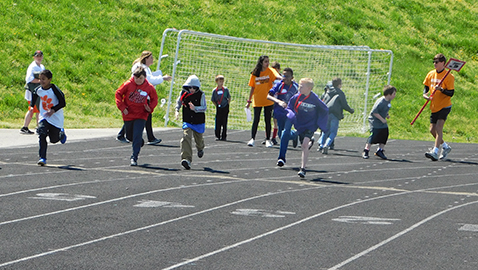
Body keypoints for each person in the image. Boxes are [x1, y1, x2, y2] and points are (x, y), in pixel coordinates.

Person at [116, 51, 172, 144]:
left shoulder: (145, 68)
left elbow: (149, 77)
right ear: (146, 58)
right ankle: (149, 137)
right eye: (151, 58)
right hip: (139, 96)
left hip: (143, 95)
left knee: (143, 116)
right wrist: (162, 78)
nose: (152, 60)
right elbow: (148, 80)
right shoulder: (141, 68)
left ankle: (124, 135)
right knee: (142, 115)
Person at [282, 78, 328, 178]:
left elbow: (324, 109)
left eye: (301, 87)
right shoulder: (296, 97)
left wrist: (321, 123)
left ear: (309, 88)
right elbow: (289, 107)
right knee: (304, 144)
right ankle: (309, 141)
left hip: (310, 125)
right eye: (299, 86)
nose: (299, 88)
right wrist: (291, 115)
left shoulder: (314, 99)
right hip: (300, 124)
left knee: (304, 145)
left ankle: (303, 168)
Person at [115, 66, 158, 166]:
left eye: (141, 78)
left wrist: (150, 108)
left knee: (138, 134)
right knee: (130, 136)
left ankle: (134, 157)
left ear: (145, 78)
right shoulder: (128, 84)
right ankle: (138, 142)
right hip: (128, 114)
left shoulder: (149, 87)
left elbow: (154, 99)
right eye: (136, 78)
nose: (138, 80)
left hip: (141, 114)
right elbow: (118, 94)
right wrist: (122, 107)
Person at [31, 70, 67, 166]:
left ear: (49, 80)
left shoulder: (54, 89)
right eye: (40, 79)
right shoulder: (38, 89)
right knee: (41, 133)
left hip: (55, 117)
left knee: (53, 140)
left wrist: (53, 110)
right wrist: (31, 107)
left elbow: (63, 103)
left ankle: (61, 133)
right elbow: (34, 95)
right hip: (44, 116)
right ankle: (42, 158)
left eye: (44, 79)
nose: (41, 81)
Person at [423, 53, 454, 161]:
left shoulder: (449, 76)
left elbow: (451, 93)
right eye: (434, 62)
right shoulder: (431, 74)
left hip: (444, 105)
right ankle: (445, 146)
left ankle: (435, 151)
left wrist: (441, 90)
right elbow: (426, 86)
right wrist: (425, 94)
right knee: (432, 130)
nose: (434, 64)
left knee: (439, 127)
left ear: (443, 63)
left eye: (436, 62)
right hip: (434, 105)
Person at [245, 55, 281, 148]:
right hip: (257, 100)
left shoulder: (270, 71)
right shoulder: (255, 73)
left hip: (268, 100)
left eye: (268, 61)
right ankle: (252, 138)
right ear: (261, 62)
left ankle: (268, 139)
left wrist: (285, 78)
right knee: (256, 120)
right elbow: (252, 87)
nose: (267, 63)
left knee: (267, 120)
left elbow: (277, 77)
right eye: (265, 61)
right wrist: (249, 100)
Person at [267, 67, 299, 166]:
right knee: (281, 135)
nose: (284, 77)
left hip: (290, 114)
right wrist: (278, 101)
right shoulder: (279, 85)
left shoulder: (296, 87)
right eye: (283, 75)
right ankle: (294, 135)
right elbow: (268, 96)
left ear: (292, 77)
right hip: (280, 113)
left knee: (285, 133)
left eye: (287, 76)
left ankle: (281, 158)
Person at [175, 75, 207, 170]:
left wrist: (195, 108)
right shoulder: (183, 93)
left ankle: (200, 148)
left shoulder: (201, 94)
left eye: (194, 87)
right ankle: (186, 159)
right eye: (190, 87)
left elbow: (204, 107)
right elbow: (179, 102)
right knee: (186, 137)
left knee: (199, 139)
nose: (192, 89)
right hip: (188, 120)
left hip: (198, 121)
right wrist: (177, 111)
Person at [318, 77, 354, 154]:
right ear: (339, 84)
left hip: (326, 113)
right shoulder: (340, 93)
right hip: (335, 114)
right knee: (333, 132)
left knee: (325, 130)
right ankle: (327, 144)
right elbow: (344, 104)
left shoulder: (327, 92)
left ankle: (321, 144)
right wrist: (351, 110)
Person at [362, 85, 397, 160]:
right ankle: (366, 150)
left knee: (385, 134)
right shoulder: (381, 101)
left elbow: (383, 110)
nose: (395, 95)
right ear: (388, 94)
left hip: (382, 121)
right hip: (374, 121)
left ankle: (380, 150)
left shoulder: (389, 101)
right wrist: (382, 119)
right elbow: (374, 112)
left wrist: (386, 115)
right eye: (394, 94)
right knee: (374, 135)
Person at [21, 50, 45, 134]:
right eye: (37, 56)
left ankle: (39, 127)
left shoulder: (42, 67)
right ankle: (25, 127)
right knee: (32, 109)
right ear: (34, 57)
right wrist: (40, 81)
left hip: (39, 91)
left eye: (40, 56)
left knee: (39, 109)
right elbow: (29, 79)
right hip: (32, 91)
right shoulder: (32, 67)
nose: (39, 58)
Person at [211, 74, 231, 141]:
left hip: (225, 107)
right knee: (218, 121)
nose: (221, 83)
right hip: (219, 107)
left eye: (222, 81)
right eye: (220, 81)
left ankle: (224, 136)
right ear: (216, 82)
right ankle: (217, 135)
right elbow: (213, 100)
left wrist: (227, 104)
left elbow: (229, 97)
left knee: (224, 122)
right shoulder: (215, 91)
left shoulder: (225, 89)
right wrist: (217, 105)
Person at [269, 61, 282, 145]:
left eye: (276, 70)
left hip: (278, 101)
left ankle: (274, 137)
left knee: (276, 120)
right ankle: (268, 137)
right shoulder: (270, 76)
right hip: (271, 100)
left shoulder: (281, 78)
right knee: (269, 119)